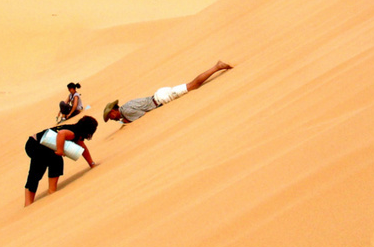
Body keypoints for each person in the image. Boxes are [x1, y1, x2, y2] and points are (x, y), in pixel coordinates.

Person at [103, 61, 233, 124]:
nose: (112, 119)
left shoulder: (125, 111)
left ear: (114, 111)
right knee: (191, 85)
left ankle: (217, 67)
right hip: (159, 96)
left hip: (161, 99)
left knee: (193, 85)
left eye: (111, 116)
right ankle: (216, 67)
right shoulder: (126, 106)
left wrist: (126, 121)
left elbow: (141, 116)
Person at [24, 115, 98, 206]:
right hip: (35, 145)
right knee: (53, 162)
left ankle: (31, 202)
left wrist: (91, 163)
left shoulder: (75, 131)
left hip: (33, 143)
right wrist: (60, 150)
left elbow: (82, 148)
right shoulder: (73, 133)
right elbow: (61, 134)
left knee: (41, 168)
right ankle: (51, 192)